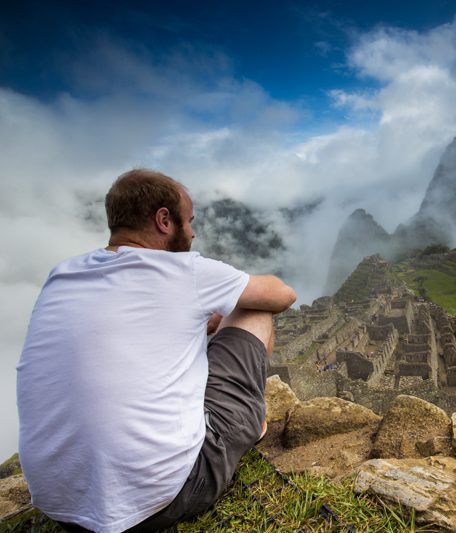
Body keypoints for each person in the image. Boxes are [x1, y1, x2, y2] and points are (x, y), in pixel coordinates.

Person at [17, 169, 296, 533]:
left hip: (61, 505)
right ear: (164, 220)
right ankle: (247, 421)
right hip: (157, 501)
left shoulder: (62, 274)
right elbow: (282, 294)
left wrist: (197, 319)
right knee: (255, 309)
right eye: (189, 221)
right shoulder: (185, 272)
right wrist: (217, 308)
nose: (193, 233)